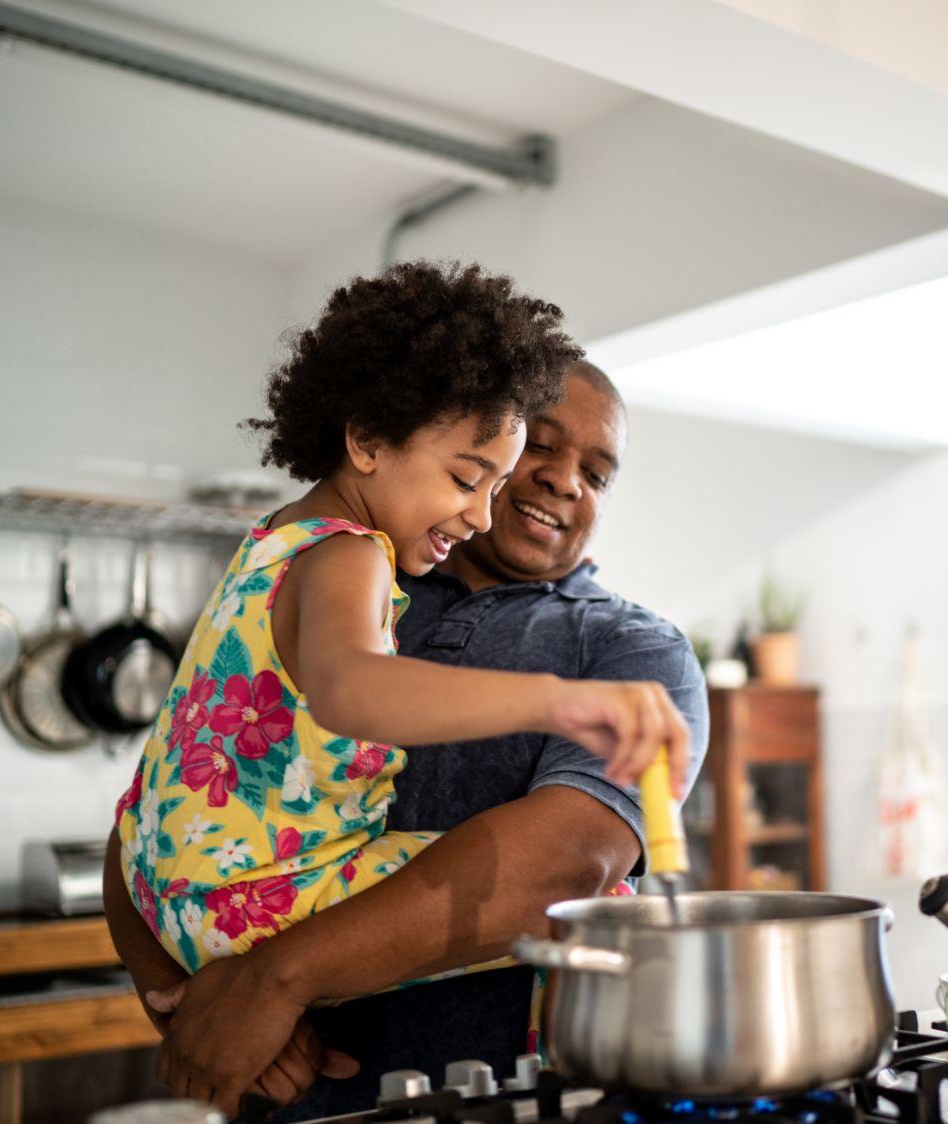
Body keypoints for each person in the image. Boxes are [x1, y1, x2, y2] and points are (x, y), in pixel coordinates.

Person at [104, 265, 696, 1118]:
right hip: (255, 968)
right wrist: (196, 1004)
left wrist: (262, 984)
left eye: (599, 473)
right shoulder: (353, 561)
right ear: (372, 439)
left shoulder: (275, 546)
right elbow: (351, 692)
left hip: (212, 913)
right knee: (605, 908)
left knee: (582, 881)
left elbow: (562, 858)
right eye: (482, 472)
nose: (494, 508)